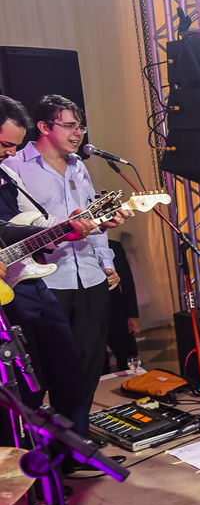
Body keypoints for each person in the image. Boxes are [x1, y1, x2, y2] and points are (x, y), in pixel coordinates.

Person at [3, 95, 127, 410]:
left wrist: (106, 262)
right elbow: (16, 226)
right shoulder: (14, 166)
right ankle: (34, 440)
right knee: (38, 370)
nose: (78, 133)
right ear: (44, 127)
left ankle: (74, 437)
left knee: (83, 366)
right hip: (44, 279)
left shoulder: (78, 168)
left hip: (87, 274)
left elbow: (90, 219)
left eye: (80, 126)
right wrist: (65, 226)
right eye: (70, 125)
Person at [105, 237, 139, 372]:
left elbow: (127, 282)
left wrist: (132, 314)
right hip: (88, 315)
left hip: (115, 310)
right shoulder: (74, 249)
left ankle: (134, 389)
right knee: (97, 364)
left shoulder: (113, 246)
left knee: (128, 357)